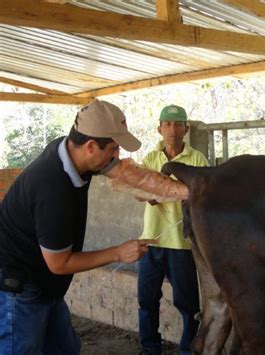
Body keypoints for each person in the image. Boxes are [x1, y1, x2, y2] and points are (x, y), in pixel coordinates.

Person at [0, 99, 155, 354]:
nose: (117, 157)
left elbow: (114, 168)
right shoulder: (52, 189)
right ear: (91, 146)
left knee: (65, 349)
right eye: (114, 149)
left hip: (45, 284)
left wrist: (146, 188)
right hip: (19, 288)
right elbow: (59, 264)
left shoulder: (67, 149)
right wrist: (118, 253)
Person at [137, 105, 208, 355]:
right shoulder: (150, 158)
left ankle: (188, 350)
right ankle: (149, 348)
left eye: (178, 124)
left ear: (186, 129)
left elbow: (204, 197)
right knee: (146, 300)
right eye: (167, 124)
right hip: (150, 240)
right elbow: (140, 189)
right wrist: (149, 194)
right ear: (159, 128)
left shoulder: (197, 159)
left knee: (188, 305)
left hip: (182, 243)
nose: (172, 130)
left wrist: (167, 191)